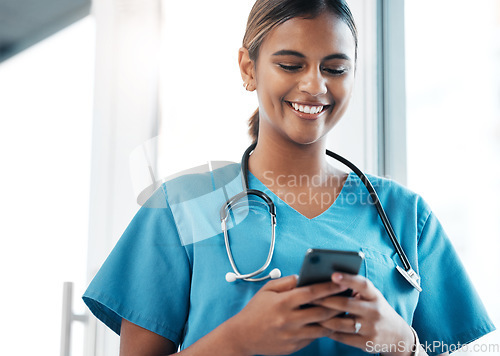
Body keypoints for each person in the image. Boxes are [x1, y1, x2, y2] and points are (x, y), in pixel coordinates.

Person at [83, 0, 495, 355]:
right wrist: (238, 340)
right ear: (249, 67)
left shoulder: (404, 215)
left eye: (335, 68)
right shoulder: (184, 206)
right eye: (290, 64)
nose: (314, 85)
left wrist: (402, 343)